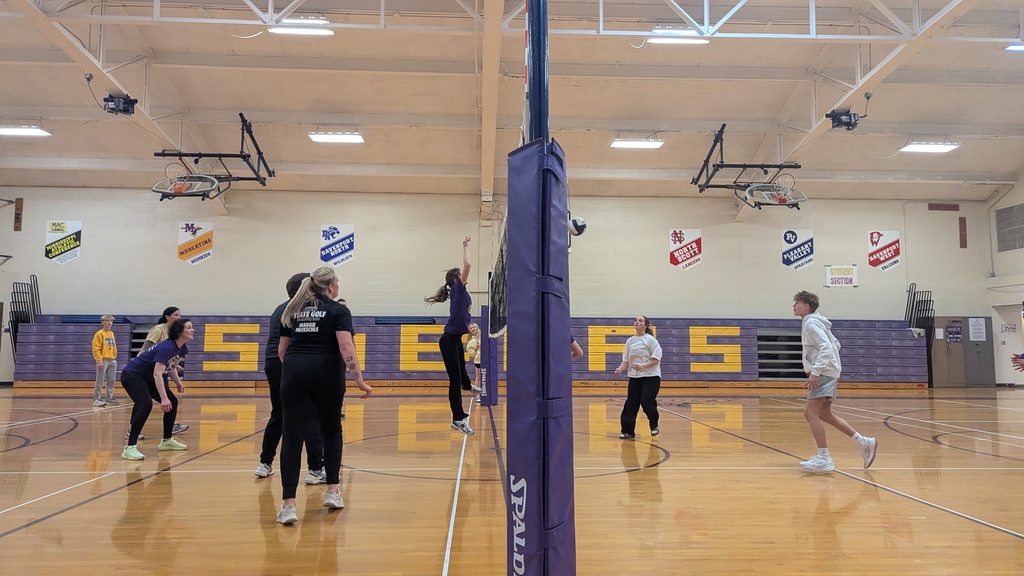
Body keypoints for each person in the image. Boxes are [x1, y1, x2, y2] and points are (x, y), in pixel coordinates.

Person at [275, 266, 372, 525]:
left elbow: (282, 350)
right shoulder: (339, 310)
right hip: (327, 372)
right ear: (330, 287)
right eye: (337, 282)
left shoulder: (292, 309)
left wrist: (296, 372)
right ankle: (332, 491)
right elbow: (345, 345)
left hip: (294, 370)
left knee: (292, 435)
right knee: (331, 430)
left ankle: (288, 505)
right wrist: (359, 379)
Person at [793, 291, 878, 472]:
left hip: (824, 374)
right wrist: (812, 364)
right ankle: (864, 442)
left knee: (810, 413)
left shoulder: (811, 324)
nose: (794, 306)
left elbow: (826, 347)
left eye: (797, 302)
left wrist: (815, 372)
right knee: (824, 415)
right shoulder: (818, 322)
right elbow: (835, 345)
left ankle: (824, 458)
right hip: (829, 372)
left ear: (806, 306)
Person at [255, 272, 327, 485]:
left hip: (272, 362)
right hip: (293, 362)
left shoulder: (280, 307)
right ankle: (315, 469)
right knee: (312, 414)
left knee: (278, 413)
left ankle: (264, 463)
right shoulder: (306, 308)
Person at [119, 318, 193, 460]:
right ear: (179, 332)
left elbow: (170, 367)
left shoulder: (182, 347)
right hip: (133, 375)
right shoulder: (167, 347)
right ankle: (129, 448)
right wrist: (163, 398)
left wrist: (178, 383)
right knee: (145, 404)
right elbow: (158, 373)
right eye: (189, 328)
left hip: (148, 377)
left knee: (173, 402)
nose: (192, 330)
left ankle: (166, 441)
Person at [424, 236, 475, 435]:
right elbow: (469, 264)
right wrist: (465, 246)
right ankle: (457, 419)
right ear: (457, 278)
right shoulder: (458, 288)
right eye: (461, 274)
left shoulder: (460, 291)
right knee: (454, 380)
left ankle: (469, 385)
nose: (465, 274)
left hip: (455, 339)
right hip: (448, 340)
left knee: (462, 368)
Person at [137, 306, 189, 437]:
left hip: (161, 369)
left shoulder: (175, 332)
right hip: (148, 369)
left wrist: (171, 365)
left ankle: (170, 427)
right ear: (167, 317)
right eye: (176, 315)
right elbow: (145, 349)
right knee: (144, 401)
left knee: (169, 399)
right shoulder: (158, 330)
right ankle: (132, 429)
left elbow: (170, 355)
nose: (179, 317)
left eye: (180, 315)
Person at [614, 316, 663, 440]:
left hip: (651, 376)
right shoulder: (630, 341)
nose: (637, 322)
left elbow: (656, 359)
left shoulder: (650, 340)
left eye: (640, 321)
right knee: (631, 403)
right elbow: (626, 360)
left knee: (646, 401)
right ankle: (627, 431)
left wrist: (643, 366)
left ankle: (654, 425)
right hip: (635, 377)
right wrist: (620, 368)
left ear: (645, 326)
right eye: (636, 320)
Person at [92, 314, 118, 406]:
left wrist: (114, 356)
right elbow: (96, 348)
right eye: (107, 320)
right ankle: (97, 398)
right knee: (100, 379)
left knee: (111, 379)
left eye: (110, 321)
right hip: (103, 359)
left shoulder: (111, 333)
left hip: (112, 359)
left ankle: (109, 397)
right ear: (102, 322)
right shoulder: (99, 334)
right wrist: (99, 360)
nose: (109, 322)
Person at [465, 323, 483, 394]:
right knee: (478, 378)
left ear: (477, 328)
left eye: (474, 327)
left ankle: (486, 394)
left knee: (486, 378)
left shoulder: (484, 337)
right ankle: (478, 395)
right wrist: (476, 348)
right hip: (478, 361)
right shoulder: (470, 342)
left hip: (486, 360)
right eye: (471, 328)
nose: (472, 329)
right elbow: (472, 354)